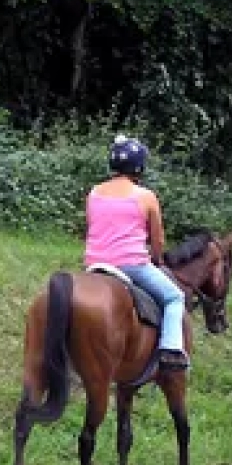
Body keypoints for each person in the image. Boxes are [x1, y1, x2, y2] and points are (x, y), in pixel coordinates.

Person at [84, 135, 189, 371]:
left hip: (94, 263)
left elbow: (92, 226)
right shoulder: (145, 196)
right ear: (139, 166)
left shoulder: (94, 193)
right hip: (131, 264)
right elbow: (158, 239)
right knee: (175, 298)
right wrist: (157, 258)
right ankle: (171, 349)